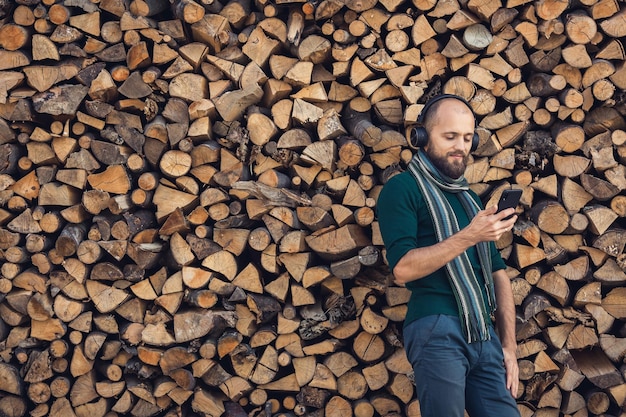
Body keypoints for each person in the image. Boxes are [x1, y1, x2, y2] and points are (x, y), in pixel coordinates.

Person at [376, 95, 521, 417]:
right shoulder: (402, 188)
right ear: (422, 138)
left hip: (483, 333)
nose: (461, 146)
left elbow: (498, 274)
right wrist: (471, 235)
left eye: (468, 138)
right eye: (450, 136)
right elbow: (402, 269)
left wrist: (508, 346)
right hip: (436, 327)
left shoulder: (468, 198)